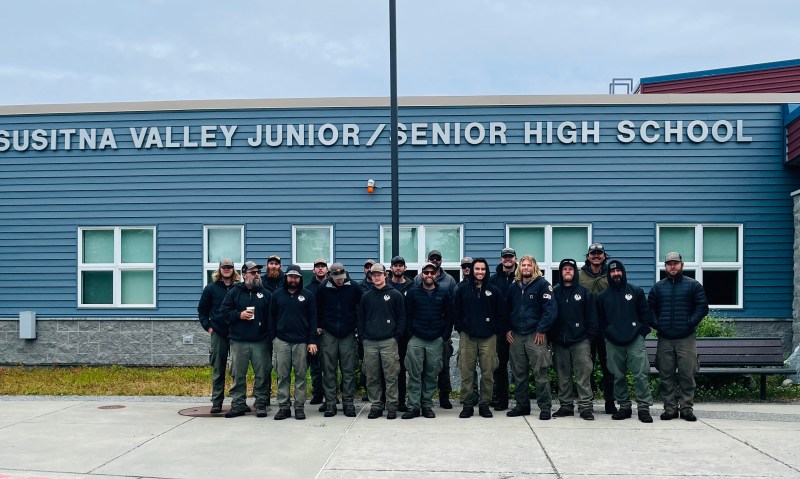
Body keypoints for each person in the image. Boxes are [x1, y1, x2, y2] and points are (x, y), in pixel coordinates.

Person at [648, 252, 709, 422]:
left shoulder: (693, 285)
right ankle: (670, 409)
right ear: (665, 266)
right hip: (665, 338)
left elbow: (702, 307)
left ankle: (686, 408)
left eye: (675, 263)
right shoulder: (658, 287)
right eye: (669, 263)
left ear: (681, 265)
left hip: (686, 338)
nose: (672, 266)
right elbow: (649, 309)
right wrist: (657, 324)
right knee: (666, 375)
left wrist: (690, 323)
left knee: (687, 374)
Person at [596, 259, 654, 423]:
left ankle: (643, 408)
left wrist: (641, 334)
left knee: (641, 374)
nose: (616, 274)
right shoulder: (602, 297)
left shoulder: (636, 291)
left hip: (634, 339)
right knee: (617, 376)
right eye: (612, 272)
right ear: (608, 274)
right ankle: (624, 407)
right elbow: (600, 321)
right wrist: (607, 334)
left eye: (618, 271)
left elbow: (646, 316)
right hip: (613, 341)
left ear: (623, 272)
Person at [504, 255, 556, 420]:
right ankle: (522, 406)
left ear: (534, 268)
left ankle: (545, 408)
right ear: (520, 268)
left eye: (529, 265)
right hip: (516, 337)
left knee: (540, 372)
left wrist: (541, 330)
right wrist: (507, 329)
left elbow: (550, 310)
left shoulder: (543, 285)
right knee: (519, 374)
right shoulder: (513, 287)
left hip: (536, 335)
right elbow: (506, 310)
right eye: (523, 265)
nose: (526, 267)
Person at [220, 261, 272, 418]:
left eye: (258, 272)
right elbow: (224, 312)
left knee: (263, 373)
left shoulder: (266, 293)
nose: (257, 275)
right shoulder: (234, 292)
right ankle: (238, 404)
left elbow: (273, 316)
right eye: (253, 272)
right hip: (239, 341)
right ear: (244, 274)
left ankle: (261, 403)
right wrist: (239, 315)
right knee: (238, 374)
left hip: (260, 341)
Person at [453, 258, 504, 418]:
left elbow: (501, 315)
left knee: (487, 373)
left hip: (488, 338)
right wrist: (462, 327)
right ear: (472, 271)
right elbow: (456, 312)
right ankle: (467, 405)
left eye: (483, 269)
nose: (480, 272)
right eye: (477, 269)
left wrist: (494, 330)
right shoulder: (462, 290)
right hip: (468, 336)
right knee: (466, 372)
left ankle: (484, 404)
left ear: (486, 271)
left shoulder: (494, 291)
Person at [402, 262, 453, 419]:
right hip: (417, 338)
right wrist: (410, 334)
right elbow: (407, 316)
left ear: (436, 274)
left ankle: (427, 405)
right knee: (414, 373)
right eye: (426, 272)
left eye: (432, 272)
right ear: (422, 275)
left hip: (436, 340)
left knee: (431, 374)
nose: (429, 275)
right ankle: (413, 407)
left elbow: (449, 316)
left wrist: (444, 336)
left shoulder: (444, 293)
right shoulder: (413, 293)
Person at [550, 258, 599, 420]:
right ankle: (566, 406)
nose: (568, 271)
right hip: (559, 342)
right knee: (562, 376)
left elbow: (592, 317)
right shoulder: (554, 292)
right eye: (565, 269)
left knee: (583, 375)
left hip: (580, 341)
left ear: (575, 272)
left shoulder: (584, 292)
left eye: (571, 269)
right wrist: (552, 337)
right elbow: (549, 315)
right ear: (561, 272)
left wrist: (589, 338)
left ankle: (585, 407)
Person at [269, 264, 318, 420]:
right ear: (286, 277)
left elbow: (313, 320)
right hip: (281, 341)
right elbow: (271, 317)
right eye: (290, 276)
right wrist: (274, 338)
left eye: (296, 277)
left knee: (300, 375)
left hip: (301, 342)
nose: (293, 279)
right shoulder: (277, 295)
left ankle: (299, 407)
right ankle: (283, 407)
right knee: (282, 375)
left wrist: (312, 341)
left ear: (300, 279)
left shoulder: (308, 295)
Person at [358, 263, 406, 420]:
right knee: (372, 376)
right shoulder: (366, 296)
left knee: (391, 375)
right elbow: (361, 319)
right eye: (374, 275)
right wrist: (363, 338)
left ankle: (392, 405)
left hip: (389, 342)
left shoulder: (395, 295)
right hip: (370, 342)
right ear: (370, 276)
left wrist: (396, 337)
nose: (376, 277)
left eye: (379, 274)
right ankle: (376, 405)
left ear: (385, 275)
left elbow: (401, 319)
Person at [316, 263, 362, 417]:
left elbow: (361, 307)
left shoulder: (354, 287)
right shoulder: (322, 289)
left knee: (348, 370)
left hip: (348, 332)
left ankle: (348, 402)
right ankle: (330, 403)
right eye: (337, 278)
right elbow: (317, 309)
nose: (340, 281)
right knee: (329, 370)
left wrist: (356, 325)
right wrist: (319, 325)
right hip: (329, 333)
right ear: (330, 275)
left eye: (342, 278)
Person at [414, 249, 458, 409]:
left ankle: (444, 396)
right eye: (432, 258)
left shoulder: (450, 280)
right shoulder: (419, 279)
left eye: (437, 259)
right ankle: (423, 398)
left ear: (441, 260)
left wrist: (447, 333)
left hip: (441, 333)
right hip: (422, 332)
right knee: (424, 367)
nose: (435, 261)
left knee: (443, 366)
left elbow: (452, 308)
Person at [197, 258, 240, 414]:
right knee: (218, 368)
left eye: (229, 267)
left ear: (234, 270)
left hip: (236, 334)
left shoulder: (239, 288)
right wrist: (209, 328)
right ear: (220, 270)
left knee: (237, 369)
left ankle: (238, 401)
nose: (227, 269)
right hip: (218, 334)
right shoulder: (211, 289)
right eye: (224, 267)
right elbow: (202, 311)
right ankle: (217, 402)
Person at [579, 242, 616, 414]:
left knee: (609, 367)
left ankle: (610, 402)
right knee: (587, 368)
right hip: (586, 330)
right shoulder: (580, 276)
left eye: (599, 253)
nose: (596, 256)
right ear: (588, 256)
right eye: (592, 253)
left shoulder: (611, 274)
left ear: (604, 256)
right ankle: (588, 402)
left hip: (607, 329)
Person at [488, 246, 517, 411]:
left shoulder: (522, 277)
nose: (508, 259)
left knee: (519, 367)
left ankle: (521, 401)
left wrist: (512, 328)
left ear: (515, 259)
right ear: (501, 259)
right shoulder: (493, 280)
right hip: (499, 331)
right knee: (499, 366)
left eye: (510, 257)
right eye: (505, 257)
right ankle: (501, 399)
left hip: (518, 330)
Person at [389, 255, 415, 412]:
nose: (398, 268)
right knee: (390, 368)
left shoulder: (412, 286)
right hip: (389, 335)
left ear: (405, 268)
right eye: (395, 265)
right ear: (391, 268)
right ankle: (388, 400)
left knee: (404, 369)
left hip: (408, 335)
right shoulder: (386, 286)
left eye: (401, 265)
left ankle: (401, 401)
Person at [305, 258, 329, 407]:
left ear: (327, 269)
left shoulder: (332, 285)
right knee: (315, 365)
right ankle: (317, 393)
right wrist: (313, 328)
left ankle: (330, 395)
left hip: (329, 331)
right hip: (314, 333)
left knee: (329, 366)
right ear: (313, 270)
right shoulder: (308, 289)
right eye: (317, 267)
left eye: (323, 266)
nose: (320, 269)